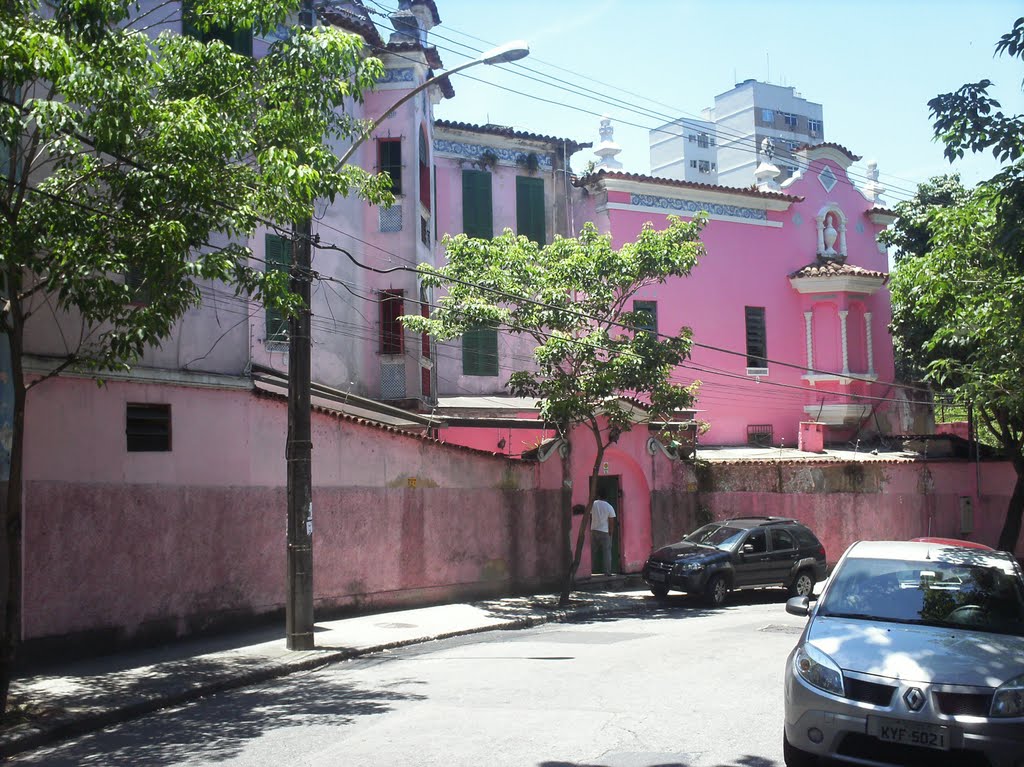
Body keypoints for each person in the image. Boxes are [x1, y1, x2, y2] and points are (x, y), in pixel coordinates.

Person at [590, 490, 617, 576]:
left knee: (592, 552)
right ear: (606, 498)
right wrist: (611, 533)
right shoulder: (609, 507)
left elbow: (589, 514)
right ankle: (607, 572)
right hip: (605, 532)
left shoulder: (593, 504)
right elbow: (611, 522)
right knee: (607, 553)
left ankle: (590, 571)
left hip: (593, 530)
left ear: (598, 496)